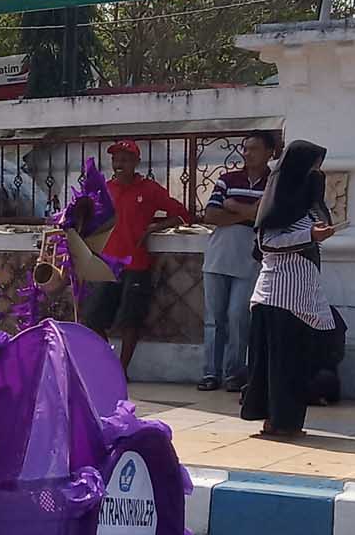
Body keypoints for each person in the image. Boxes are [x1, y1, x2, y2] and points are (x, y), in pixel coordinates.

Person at [241, 140, 337, 437]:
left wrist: (318, 224)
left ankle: (290, 421)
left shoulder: (305, 205)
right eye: (312, 168)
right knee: (279, 366)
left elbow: (318, 223)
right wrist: (309, 235)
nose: (316, 173)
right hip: (278, 298)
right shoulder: (279, 203)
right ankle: (276, 421)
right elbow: (267, 243)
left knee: (296, 365)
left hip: (302, 299)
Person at [81, 139, 189, 372]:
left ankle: (122, 369)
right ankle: (108, 366)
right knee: (92, 318)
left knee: (130, 320)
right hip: (106, 263)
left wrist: (153, 227)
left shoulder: (149, 189)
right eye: (116, 159)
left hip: (136, 263)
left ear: (136, 162)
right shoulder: (103, 189)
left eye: (126, 159)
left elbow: (182, 214)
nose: (120, 164)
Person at [198, 131, 277, 391]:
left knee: (238, 316)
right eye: (246, 148)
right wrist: (248, 214)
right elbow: (210, 215)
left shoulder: (272, 184)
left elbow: (265, 218)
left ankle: (235, 372)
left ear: (269, 153)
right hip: (218, 255)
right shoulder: (227, 179)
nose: (247, 153)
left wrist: (235, 207)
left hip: (249, 257)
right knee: (214, 318)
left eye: (254, 149)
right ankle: (211, 372)